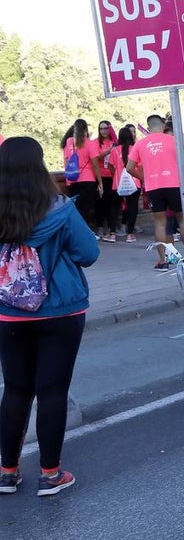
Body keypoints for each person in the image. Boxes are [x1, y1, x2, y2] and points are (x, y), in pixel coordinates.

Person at [0, 137, 99, 496]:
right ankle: (51, 473)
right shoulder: (61, 210)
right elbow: (88, 254)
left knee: (14, 389)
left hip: (8, 313)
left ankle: (7, 471)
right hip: (61, 311)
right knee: (52, 391)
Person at [126, 114, 184, 270]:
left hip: (153, 186)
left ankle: (164, 260)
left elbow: (129, 168)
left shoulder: (140, 144)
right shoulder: (174, 140)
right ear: (163, 126)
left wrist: (144, 178)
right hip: (174, 184)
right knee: (182, 220)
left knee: (160, 224)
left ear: (148, 128)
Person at [64, 119, 103, 233]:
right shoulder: (90, 143)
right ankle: (85, 231)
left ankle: (76, 231)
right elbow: (95, 164)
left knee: (76, 207)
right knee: (87, 207)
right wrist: (100, 182)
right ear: (86, 129)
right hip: (87, 178)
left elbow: (67, 160)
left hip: (72, 178)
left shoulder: (69, 142)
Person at [106, 125, 141, 242]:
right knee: (132, 208)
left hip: (118, 183)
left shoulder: (114, 150)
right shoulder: (135, 149)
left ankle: (112, 234)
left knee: (114, 208)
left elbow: (110, 166)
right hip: (134, 182)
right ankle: (130, 234)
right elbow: (140, 166)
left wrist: (115, 174)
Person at [94, 120, 120, 241]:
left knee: (112, 204)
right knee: (100, 203)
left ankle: (112, 229)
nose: (103, 131)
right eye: (101, 129)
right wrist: (109, 151)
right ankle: (99, 226)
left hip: (113, 176)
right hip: (100, 176)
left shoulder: (115, 142)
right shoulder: (95, 143)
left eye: (105, 128)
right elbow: (96, 157)